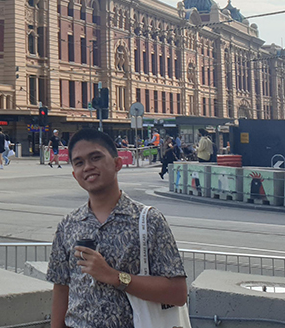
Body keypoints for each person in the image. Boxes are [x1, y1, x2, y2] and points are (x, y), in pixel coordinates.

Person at [47, 129, 187, 328]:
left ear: (117, 163)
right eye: (79, 162)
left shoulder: (149, 220)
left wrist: (114, 277)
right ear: (74, 174)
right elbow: (61, 288)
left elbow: (178, 293)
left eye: (95, 157)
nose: (88, 167)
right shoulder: (68, 225)